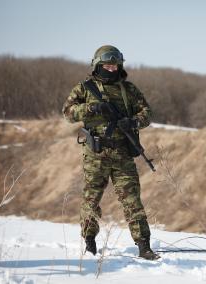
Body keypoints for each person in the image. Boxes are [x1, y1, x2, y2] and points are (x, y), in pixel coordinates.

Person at [62, 45, 159, 260]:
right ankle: (89, 243)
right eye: (107, 65)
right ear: (97, 65)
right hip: (96, 154)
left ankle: (144, 246)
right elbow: (67, 113)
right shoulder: (85, 88)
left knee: (132, 200)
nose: (111, 69)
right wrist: (91, 108)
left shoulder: (129, 89)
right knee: (91, 199)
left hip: (123, 153)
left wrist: (132, 121)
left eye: (115, 66)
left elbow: (148, 113)